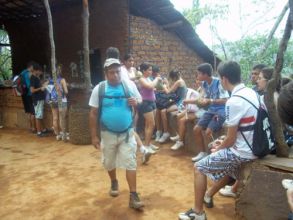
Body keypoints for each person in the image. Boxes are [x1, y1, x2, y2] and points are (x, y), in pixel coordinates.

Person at [178, 61, 259, 220]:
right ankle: (208, 195)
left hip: (243, 152)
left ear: (224, 79)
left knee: (199, 168)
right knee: (226, 164)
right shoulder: (250, 92)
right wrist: (223, 142)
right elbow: (242, 129)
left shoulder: (234, 100)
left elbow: (230, 139)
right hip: (253, 146)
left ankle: (198, 212)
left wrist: (221, 146)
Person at [89, 58, 144, 210]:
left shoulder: (129, 85)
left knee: (131, 162)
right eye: (112, 72)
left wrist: (135, 102)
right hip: (107, 133)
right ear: (106, 74)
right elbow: (93, 113)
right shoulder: (99, 89)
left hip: (127, 133)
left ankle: (133, 195)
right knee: (109, 162)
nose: (115, 75)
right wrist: (94, 136)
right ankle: (114, 181)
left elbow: (139, 100)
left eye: (118, 71)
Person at [191, 63, 229, 163]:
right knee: (196, 129)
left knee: (208, 132)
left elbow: (225, 100)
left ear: (205, 74)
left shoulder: (218, 83)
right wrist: (201, 99)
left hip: (220, 112)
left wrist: (210, 101)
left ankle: (210, 156)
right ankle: (202, 153)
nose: (197, 76)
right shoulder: (204, 84)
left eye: (199, 74)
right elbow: (202, 96)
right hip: (211, 110)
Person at [156, 69, 187, 143]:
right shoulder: (180, 81)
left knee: (163, 111)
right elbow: (170, 90)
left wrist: (164, 85)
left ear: (174, 77)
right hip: (177, 101)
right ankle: (166, 132)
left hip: (180, 103)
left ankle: (166, 132)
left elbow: (168, 92)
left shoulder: (179, 82)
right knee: (162, 110)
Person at [138, 62, 161, 151]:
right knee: (151, 124)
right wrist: (156, 79)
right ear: (144, 70)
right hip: (145, 103)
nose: (151, 71)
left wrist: (155, 85)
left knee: (148, 124)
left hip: (151, 102)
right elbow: (149, 86)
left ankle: (148, 143)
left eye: (151, 70)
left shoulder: (147, 78)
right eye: (149, 70)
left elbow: (152, 87)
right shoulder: (141, 79)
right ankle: (146, 146)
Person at [47, 65, 69, 141]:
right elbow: (66, 92)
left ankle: (57, 135)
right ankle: (63, 134)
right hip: (61, 100)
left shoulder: (49, 80)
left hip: (53, 100)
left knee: (55, 118)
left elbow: (46, 90)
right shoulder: (62, 80)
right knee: (61, 118)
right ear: (59, 71)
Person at [30, 64, 48, 137]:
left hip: (40, 98)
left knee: (40, 115)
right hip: (37, 99)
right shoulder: (33, 78)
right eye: (39, 71)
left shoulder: (36, 78)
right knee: (38, 115)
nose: (40, 72)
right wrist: (41, 88)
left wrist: (43, 84)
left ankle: (43, 129)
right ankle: (39, 132)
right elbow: (32, 90)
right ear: (36, 70)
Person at [20, 61, 37, 133]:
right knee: (33, 112)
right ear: (31, 67)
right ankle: (34, 128)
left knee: (29, 112)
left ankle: (31, 127)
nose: (34, 68)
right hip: (30, 95)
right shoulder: (28, 74)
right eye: (33, 67)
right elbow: (29, 85)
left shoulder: (22, 73)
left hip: (24, 94)